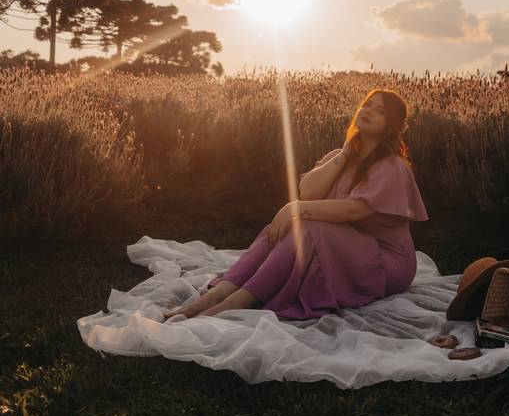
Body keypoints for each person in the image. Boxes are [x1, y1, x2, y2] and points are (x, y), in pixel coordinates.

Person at [163, 89, 429, 322]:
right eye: (368, 103)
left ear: (391, 125)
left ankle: (239, 301)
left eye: (380, 110)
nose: (368, 110)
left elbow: (354, 210)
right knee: (280, 228)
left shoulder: (393, 167)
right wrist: (346, 153)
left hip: (386, 262)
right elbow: (309, 192)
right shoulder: (340, 157)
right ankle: (218, 294)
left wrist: (295, 208)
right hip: (343, 246)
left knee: (306, 224)